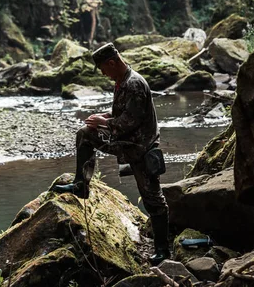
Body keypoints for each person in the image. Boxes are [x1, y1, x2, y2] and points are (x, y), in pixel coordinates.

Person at [53, 42, 170, 264]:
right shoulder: (123, 81)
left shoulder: (134, 84)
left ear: (112, 62)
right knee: (85, 134)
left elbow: (129, 121)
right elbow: (121, 113)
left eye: (103, 69)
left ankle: (163, 250)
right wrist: (103, 117)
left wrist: (104, 123)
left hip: (141, 149)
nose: (103, 74)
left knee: (153, 200)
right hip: (126, 143)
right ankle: (81, 185)